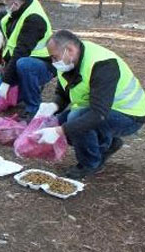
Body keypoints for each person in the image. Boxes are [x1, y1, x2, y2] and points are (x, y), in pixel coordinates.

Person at [32, 30, 145, 179]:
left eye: (55, 57)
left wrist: (59, 131)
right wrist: (53, 105)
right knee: (63, 121)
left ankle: (90, 164)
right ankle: (107, 144)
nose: (53, 62)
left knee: (73, 122)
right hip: (105, 110)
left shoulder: (103, 65)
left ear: (70, 50)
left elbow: (98, 114)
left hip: (130, 115)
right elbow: (63, 93)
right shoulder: (70, 61)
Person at [0, 0, 55, 118]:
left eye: (7, 4)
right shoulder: (20, 8)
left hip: (40, 66)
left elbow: (20, 53)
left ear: (15, 3)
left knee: (24, 64)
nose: (6, 8)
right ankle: (24, 88)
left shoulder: (34, 19)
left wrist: (6, 82)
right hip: (17, 65)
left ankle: (33, 107)